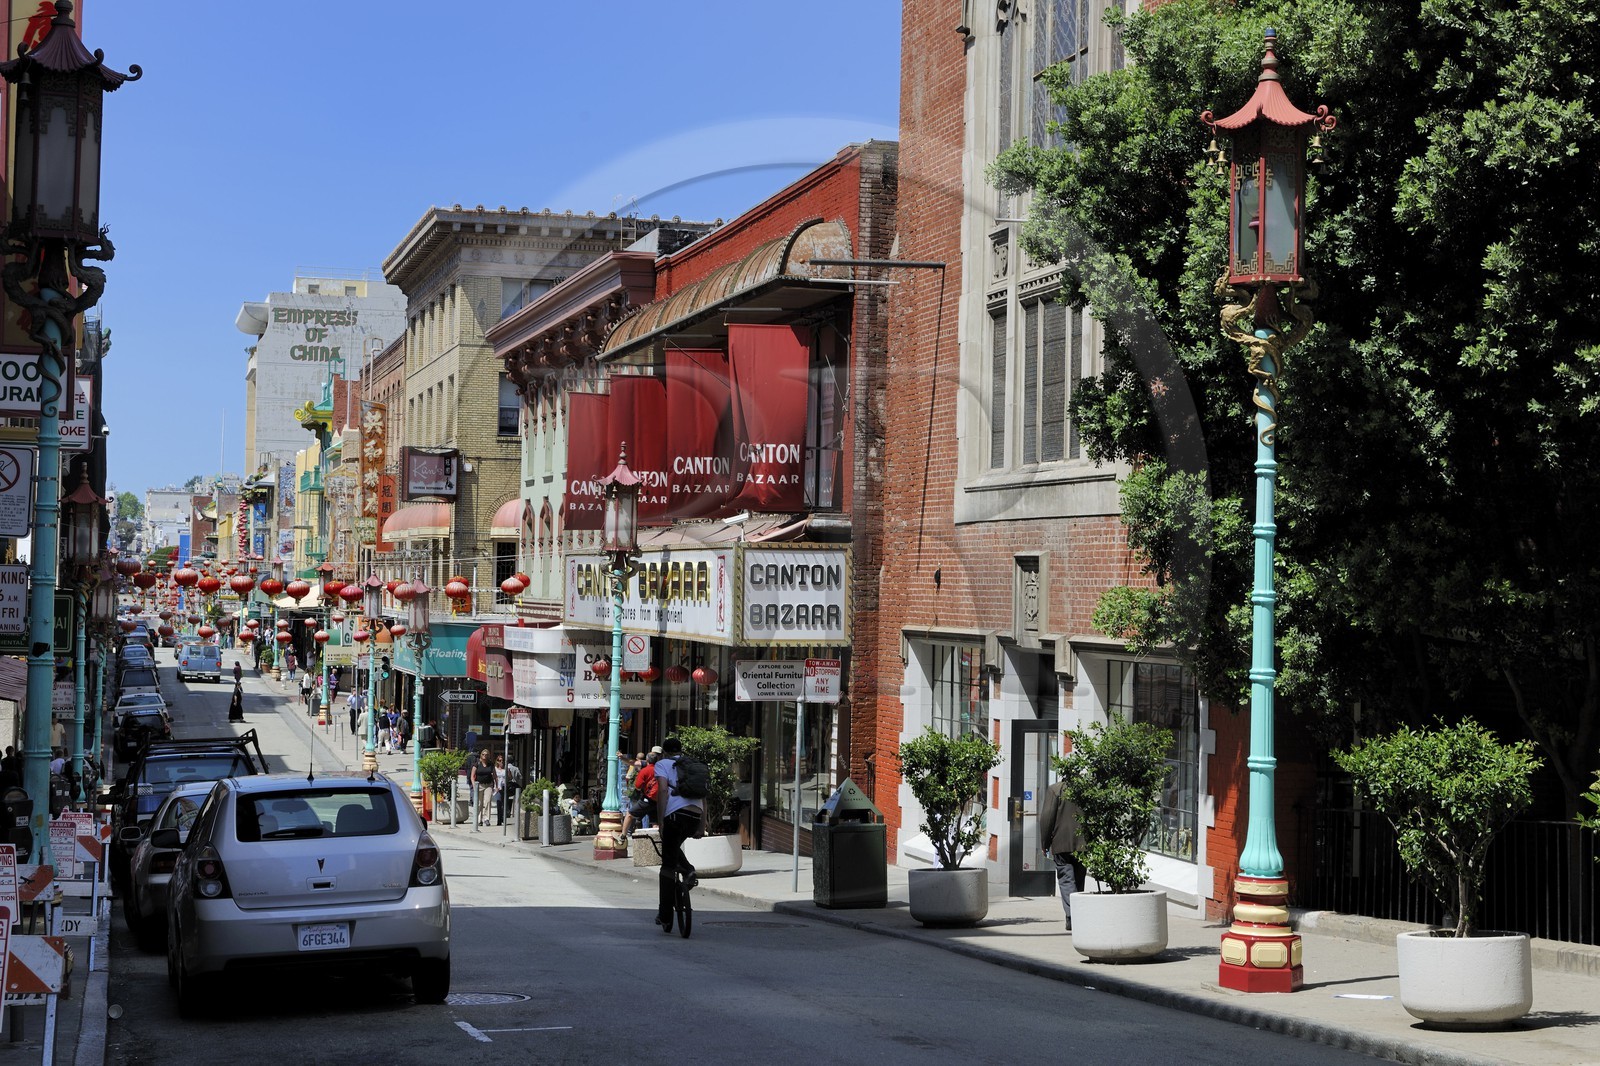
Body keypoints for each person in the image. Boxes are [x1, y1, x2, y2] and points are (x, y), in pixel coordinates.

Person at [652, 737, 702, 932]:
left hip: (675, 816)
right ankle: (688, 870)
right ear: (681, 750)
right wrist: (701, 825)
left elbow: (663, 790)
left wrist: (661, 819)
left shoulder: (662, 764)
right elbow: (703, 797)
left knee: (667, 866)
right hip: (694, 817)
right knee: (673, 848)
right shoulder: (692, 765)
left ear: (664, 752)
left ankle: (664, 915)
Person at [1039, 776, 1087, 932]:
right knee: (1079, 880)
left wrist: (1044, 843)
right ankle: (1078, 915)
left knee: (1067, 880)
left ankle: (1072, 916)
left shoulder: (1055, 790)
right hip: (1082, 844)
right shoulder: (1086, 791)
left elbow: (1047, 819)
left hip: (1061, 843)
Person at [620, 747, 659, 838]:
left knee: (630, 814)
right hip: (659, 800)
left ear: (647, 760)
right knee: (655, 822)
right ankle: (657, 840)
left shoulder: (644, 770)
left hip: (648, 798)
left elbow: (638, 786)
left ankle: (623, 835)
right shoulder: (661, 769)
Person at [472, 748, 495, 831]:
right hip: (479, 785)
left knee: (487, 801)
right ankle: (479, 819)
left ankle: (486, 819)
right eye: (483, 754)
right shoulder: (477, 763)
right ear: (481, 755)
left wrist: (496, 784)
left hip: (488, 785)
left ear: (488, 756)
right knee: (479, 803)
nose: (485, 756)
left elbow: (494, 775)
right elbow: (472, 776)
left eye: (486, 754)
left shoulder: (491, 764)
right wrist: (474, 785)